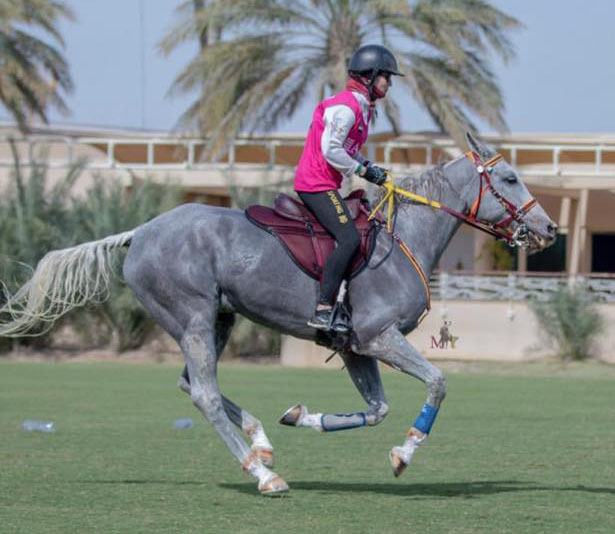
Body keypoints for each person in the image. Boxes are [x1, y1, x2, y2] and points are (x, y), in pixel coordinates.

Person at [294, 44, 404, 332]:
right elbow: (330, 150)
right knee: (349, 238)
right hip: (315, 184)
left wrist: (370, 166)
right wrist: (363, 171)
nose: (389, 84)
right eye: (386, 78)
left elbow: (348, 150)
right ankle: (323, 309)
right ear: (371, 76)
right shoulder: (345, 107)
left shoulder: (362, 109)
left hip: (327, 183)